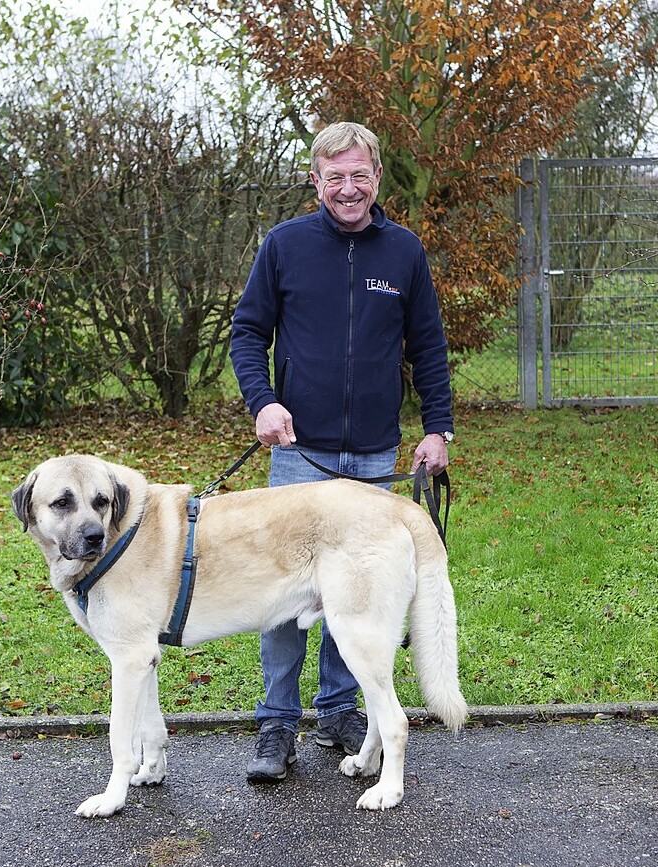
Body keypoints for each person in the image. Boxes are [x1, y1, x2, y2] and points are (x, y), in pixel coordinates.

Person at [229, 121, 454, 783]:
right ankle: (276, 722)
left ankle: (337, 711)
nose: (349, 189)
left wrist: (437, 428)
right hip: (300, 456)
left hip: (374, 457)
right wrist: (263, 402)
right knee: (280, 596)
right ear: (316, 181)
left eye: (359, 176)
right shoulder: (284, 246)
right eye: (336, 178)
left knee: (355, 596)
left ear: (377, 177)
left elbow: (430, 348)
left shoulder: (404, 252)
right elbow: (247, 332)